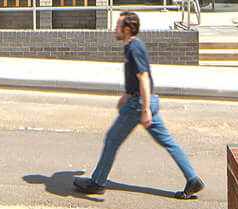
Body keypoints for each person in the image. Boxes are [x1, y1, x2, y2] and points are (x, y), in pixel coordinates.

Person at [73, 11, 204, 199]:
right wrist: (126, 95)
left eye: (118, 26)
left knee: (112, 139)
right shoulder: (132, 46)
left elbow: (143, 77)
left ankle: (97, 182)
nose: (114, 29)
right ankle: (193, 179)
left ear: (127, 29)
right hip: (140, 101)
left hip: (139, 105)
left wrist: (145, 110)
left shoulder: (134, 47)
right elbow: (137, 77)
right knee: (167, 141)